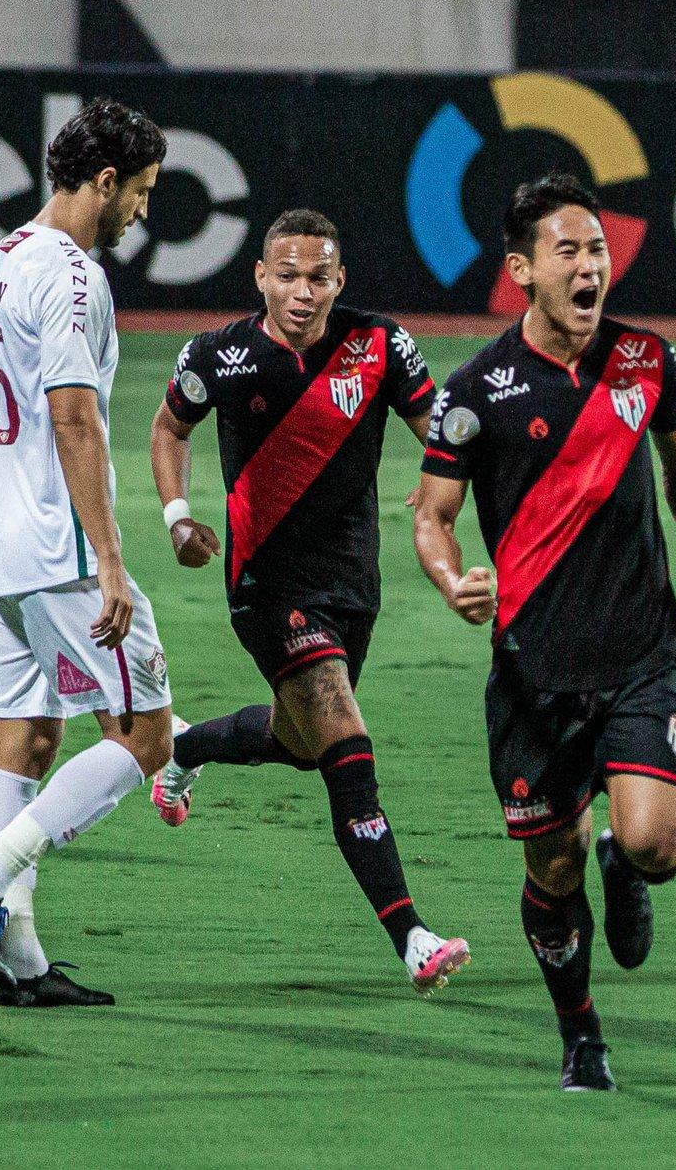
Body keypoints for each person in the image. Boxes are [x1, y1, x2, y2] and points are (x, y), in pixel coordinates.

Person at [412, 172, 676, 1092]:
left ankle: (622, 860)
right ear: (523, 271)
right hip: (534, 675)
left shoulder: (646, 360)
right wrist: (452, 580)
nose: (593, 266)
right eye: (571, 251)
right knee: (549, 872)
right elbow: (432, 514)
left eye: (599, 249)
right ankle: (580, 1033)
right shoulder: (475, 390)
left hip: (645, 656)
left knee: (655, 845)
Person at [145, 208, 468, 994]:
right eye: (286, 275)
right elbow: (168, 428)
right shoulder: (219, 354)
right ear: (260, 276)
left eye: (318, 277)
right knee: (346, 743)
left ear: (340, 280)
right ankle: (412, 934)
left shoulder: (380, 344)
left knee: (300, 741)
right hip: (267, 586)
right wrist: (178, 515)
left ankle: (180, 750)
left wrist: (465, 457)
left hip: (354, 584)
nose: (301, 291)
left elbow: (444, 426)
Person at [0, 97, 182, 1005]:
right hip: (56, 548)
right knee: (146, 732)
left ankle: (19, 964)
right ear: (105, 182)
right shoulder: (74, 277)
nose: (142, 212)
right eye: (141, 192)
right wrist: (111, 559)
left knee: (27, 735)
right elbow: (73, 416)